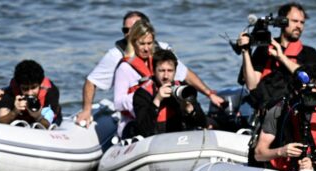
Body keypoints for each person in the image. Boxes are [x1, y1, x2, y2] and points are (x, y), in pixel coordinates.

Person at [75, 10, 224, 129]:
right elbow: (93, 82)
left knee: (208, 121)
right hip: (138, 117)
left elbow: (185, 74)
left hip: (168, 117)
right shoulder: (118, 59)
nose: (146, 47)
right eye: (126, 30)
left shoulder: (162, 53)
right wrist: (87, 110)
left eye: (149, 43)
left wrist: (208, 94)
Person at [253, 64, 316, 171]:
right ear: (297, 90)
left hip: (312, 168)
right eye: (307, 88)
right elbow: (259, 154)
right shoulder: (278, 112)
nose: (312, 92)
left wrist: (313, 165)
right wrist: (281, 151)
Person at [236, 2, 316, 110]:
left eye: (302, 22)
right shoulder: (265, 48)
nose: (299, 26)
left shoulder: (309, 53)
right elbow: (252, 85)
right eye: (294, 21)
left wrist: (281, 58)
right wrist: (245, 51)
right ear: (282, 21)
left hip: (295, 109)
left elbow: (310, 80)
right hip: (268, 107)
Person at [133, 49, 208, 137]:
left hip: (180, 138)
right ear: (153, 71)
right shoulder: (143, 93)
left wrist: (190, 111)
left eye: (170, 71)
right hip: (155, 140)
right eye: (161, 71)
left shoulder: (182, 89)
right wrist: (157, 100)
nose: (166, 76)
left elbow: (203, 123)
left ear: (175, 71)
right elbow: (144, 130)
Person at [0, 60, 62, 128]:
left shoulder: (50, 92)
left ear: (40, 84)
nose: (30, 93)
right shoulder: (11, 92)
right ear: (19, 86)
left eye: (34, 87)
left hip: (43, 118)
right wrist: (15, 112)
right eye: (25, 89)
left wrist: (38, 116)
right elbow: (0, 121)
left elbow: (47, 124)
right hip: (20, 117)